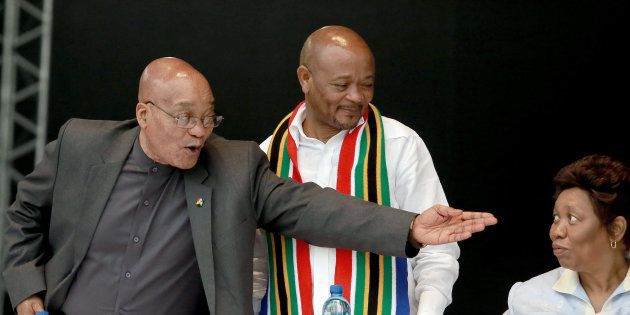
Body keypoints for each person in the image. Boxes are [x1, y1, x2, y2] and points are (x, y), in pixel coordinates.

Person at [2, 57, 497, 315]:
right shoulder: (81, 145)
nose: (201, 131)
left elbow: (312, 207)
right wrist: (27, 292)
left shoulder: (234, 166)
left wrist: (410, 226)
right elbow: (21, 219)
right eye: (186, 119)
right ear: (143, 114)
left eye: (209, 117)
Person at [253, 26, 460, 315]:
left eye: (367, 84)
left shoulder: (398, 144)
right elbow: (255, 264)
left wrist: (428, 310)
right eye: (341, 85)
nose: (357, 97)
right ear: (305, 78)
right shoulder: (266, 157)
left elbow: (436, 249)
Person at [504, 154, 630, 314]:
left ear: (615, 229)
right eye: (556, 218)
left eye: (572, 218)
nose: (555, 232)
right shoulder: (530, 298)